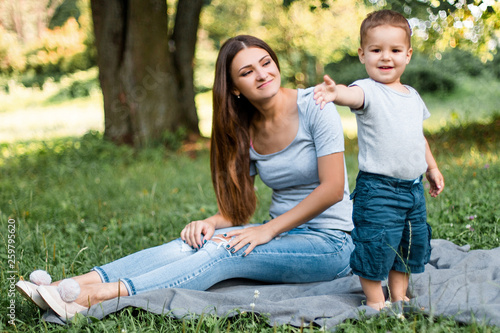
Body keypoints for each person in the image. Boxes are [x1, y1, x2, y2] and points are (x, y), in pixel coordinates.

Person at [16, 35, 355, 320]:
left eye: (266, 63)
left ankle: (95, 297)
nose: (262, 74)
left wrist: (267, 230)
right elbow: (238, 211)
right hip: (280, 235)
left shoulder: (316, 105)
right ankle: (66, 286)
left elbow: (332, 188)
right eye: (247, 72)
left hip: (331, 243)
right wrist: (210, 222)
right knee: (191, 245)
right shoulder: (244, 129)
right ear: (235, 88)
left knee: (223, 253)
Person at [313, 10, 445, 311]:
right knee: (375, 244)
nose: (386, 57)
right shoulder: (367, 90)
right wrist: (336, 93)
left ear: (408, 55)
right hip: (379, 190)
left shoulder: (412, 96)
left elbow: (418, 137)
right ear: (363, 54)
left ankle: (399, 295)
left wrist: (432, 167)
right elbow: (352, 96)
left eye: (395, 50)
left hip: (413, 190)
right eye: (376, 50)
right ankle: (375, 300)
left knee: (408, 245)